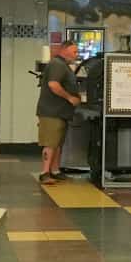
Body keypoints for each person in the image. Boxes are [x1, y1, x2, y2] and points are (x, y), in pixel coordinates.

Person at [36, 40, 81, 185]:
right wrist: (69, 98)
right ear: (64, 50)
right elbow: (53, 84)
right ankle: (45, 173)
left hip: (60, 112)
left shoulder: (64, 66)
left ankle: (55, 171)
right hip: (52, 112)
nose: (76, 55)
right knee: (50, 143)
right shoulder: (57, 65)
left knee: (57, 143)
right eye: (74, 52)